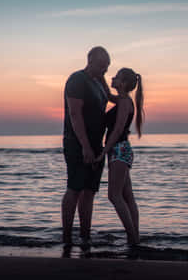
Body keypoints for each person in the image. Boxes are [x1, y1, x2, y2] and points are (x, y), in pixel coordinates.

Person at [61, 46, 110, 247]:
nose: (104, 70)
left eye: (107, 67)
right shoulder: (77, 80)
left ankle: (85, 236)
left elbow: (112, 98)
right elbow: (74, 114)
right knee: (75, 188)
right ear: (90, 61)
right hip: (77, 143)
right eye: (101, 66)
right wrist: (86, 146)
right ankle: (67, 238)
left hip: (97, 144)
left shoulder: (99, 81)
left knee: (89, 191)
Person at [96, 68, 144, 246]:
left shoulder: (124, 102)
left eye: (116, 77)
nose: (112, 78)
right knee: (127, 196)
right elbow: (108, 96)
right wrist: (100, 76)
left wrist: (103, 151)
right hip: (121, 150)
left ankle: (132, 238)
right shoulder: (123, 100)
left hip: (118, 150)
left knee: (114, 196)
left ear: (123, 83)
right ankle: (135, 237)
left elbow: (117, 130)